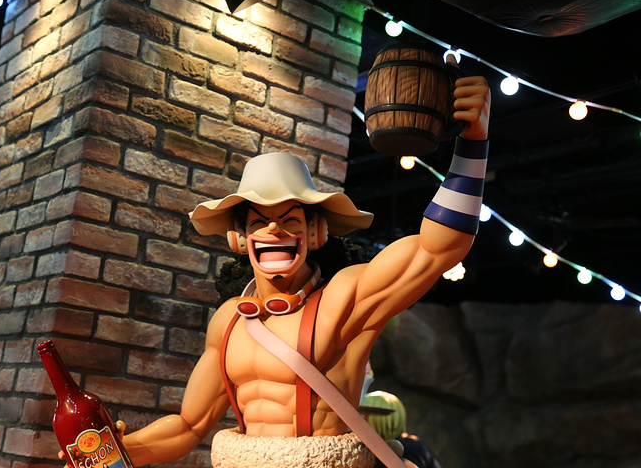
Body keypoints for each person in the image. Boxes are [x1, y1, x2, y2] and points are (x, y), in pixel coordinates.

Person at [60, 75, 490, 468]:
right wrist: (115, 451)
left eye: (289, 220)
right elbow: (190, 426)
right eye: (259, 222)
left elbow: (438, 248)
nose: (273, 230)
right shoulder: (228, 321)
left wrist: (473, 144)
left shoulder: (343, 298)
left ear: (315, 232)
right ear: (239, 238)